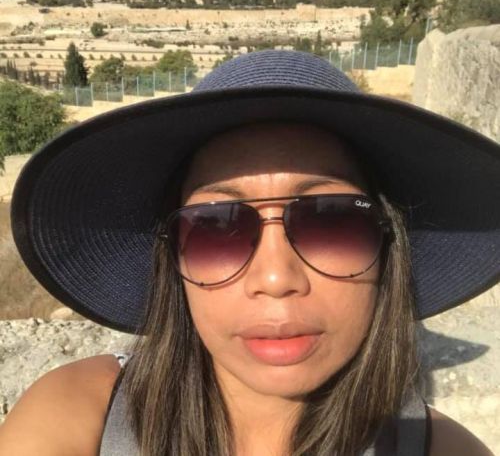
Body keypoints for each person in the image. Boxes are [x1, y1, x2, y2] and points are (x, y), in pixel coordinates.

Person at [0, 49, 498, 456]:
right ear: (173, 261)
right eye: (215, 228)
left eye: (332, 222)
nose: (276, 278)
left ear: (389, 245)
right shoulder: (78, 416)